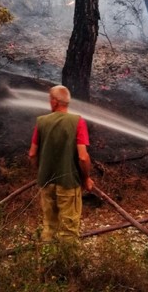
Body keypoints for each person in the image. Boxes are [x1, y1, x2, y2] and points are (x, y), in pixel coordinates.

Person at [28, 85, 94, 243]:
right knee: (69, 230)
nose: (49, 103)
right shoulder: (77, 122)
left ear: (55, 102)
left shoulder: (41, 121)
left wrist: (41, 171)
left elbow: (32, 154)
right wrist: (86, 179)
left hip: (46, 182)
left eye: (50, 100)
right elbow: (83, 157)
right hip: (69, 184)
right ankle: (66, 264)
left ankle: (48, 261)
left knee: (49, 226)